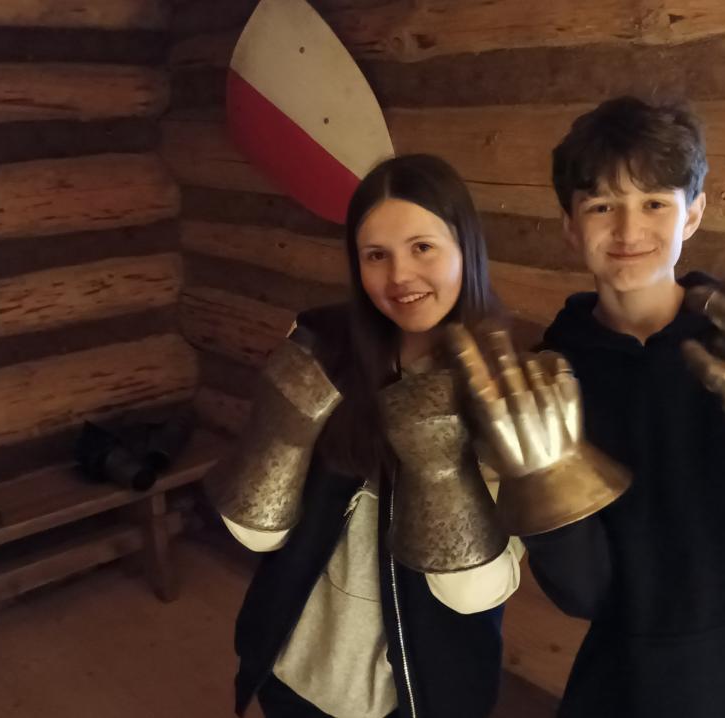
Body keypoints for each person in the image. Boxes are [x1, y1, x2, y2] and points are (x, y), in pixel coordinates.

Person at [452, 96, 725, 718]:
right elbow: (585, 594)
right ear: (571, 225)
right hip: (631, 684)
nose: (629, 231)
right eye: (602, 206)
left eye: (655, 203)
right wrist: (545, 482)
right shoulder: (549, 383)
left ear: (693, 213)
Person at [204, 154, 527, 718]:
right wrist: (282, 426)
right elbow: (255, 536)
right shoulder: (324, 350)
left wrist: (439, 459)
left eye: (422, 247)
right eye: (376, 255)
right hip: (294, 668)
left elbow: (473, 596)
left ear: (466, 249)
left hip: (417, 694)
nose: (399, 275)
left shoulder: (508, 388)